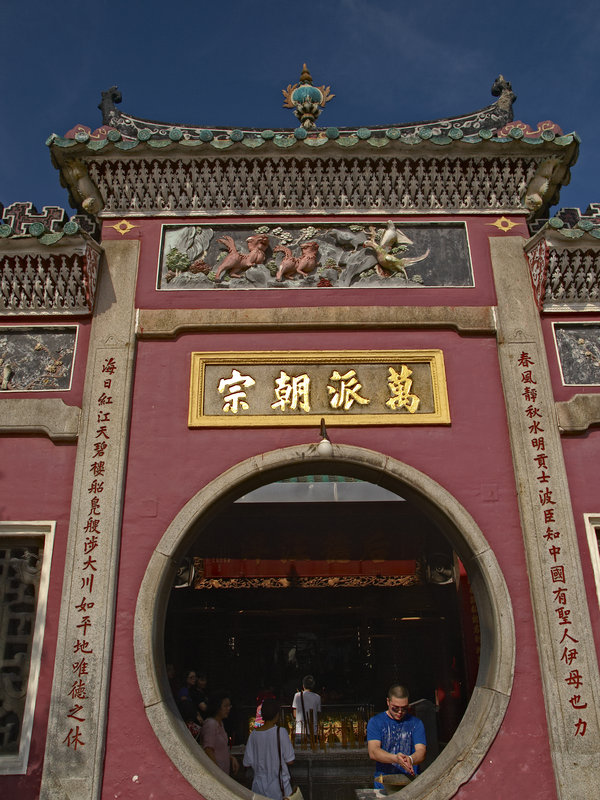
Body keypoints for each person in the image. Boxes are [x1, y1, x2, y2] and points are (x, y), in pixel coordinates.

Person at [366, 684, 426, 790]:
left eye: (404, 708)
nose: (400, 712)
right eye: (395, 708)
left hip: (411, 783)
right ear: (388, 702)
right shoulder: (376, 722)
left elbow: (421, 751)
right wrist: (396, 759)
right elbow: (373, 752)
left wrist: (410, 759)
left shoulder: (416, 723)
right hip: (384, 783)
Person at [243, 697, 295, 800]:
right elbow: (290, 761)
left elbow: (247, 762)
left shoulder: (254, 735)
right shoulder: (281, 732)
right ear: (277, 715)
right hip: (279, 789)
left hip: (259, 789)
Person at [202, 691, 239, 776]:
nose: (228, 709)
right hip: (216, 775)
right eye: (225, 706)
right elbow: (208, 750)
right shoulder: (210, 724)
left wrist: (231, 758)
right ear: (217, 707)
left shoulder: (220, 724)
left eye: (229, 706)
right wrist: (217, 773)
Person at [292, 675, 321, 744]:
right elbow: (318, 715)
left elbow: (295, 714)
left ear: (303, 685)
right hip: (313, 731)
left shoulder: (297, 696)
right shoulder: (317, 697)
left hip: (300, 730)